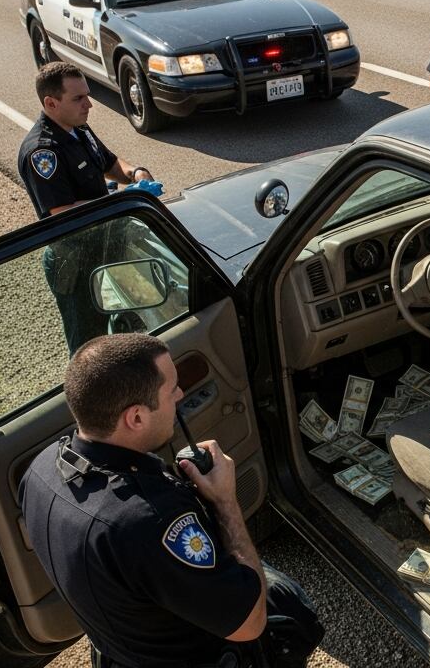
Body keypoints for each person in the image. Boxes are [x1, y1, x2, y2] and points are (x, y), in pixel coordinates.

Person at [19, 334, 323, 668]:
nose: (180, 395)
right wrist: (225, 501)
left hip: (122, 645)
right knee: (289, 602)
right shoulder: (147, 521)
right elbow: (249, 623)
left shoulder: (41, 469)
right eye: (171, 391)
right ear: (135, 418)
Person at [19, 62, 162, 353]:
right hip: (75, 263)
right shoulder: (43, 152)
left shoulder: (78, 129)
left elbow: (109, 163)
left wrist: (136, 174)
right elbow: (63, 212)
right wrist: (120, 200)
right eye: (78, 98)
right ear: (51, 103)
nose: (89, 104)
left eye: (87, 95)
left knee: (120, 327)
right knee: (88, 348)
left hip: (104, 245)